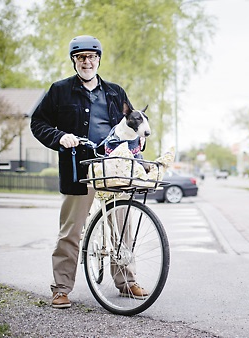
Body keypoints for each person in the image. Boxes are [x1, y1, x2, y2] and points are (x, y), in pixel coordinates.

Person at [31, 35, 148, 308]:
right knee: (70, 231)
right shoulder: (59, 91)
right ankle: (61, 288)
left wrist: (139, 145)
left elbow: (132, 123)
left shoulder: (115, 92)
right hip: (78, 168)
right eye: (81, 57)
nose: (87, 61)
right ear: (74, 61)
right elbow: (38, 122)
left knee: (122, 226)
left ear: (98, 60)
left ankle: (126, 281)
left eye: (92, 56)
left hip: (113, 166)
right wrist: (59, 137)